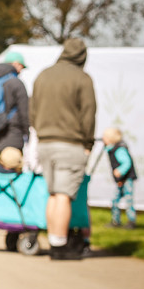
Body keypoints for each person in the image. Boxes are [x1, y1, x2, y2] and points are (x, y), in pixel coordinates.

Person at [29, 38, 97, 260]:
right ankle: (60, 247)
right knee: (64, 195)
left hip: (45, 142)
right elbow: (88, 115)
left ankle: (54, 241)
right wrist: (88, 144)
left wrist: (41, 132)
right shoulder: (82, 79)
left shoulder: (43, 75)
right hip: (70, 142)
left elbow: (33, 111)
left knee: (53, 194)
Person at [0, 51, 30, 167]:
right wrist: (27, 134)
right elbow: (25, 112)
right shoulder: (16, 83)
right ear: (16, 64)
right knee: (14, 181)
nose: (21, 71)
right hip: (13, 139)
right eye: (21, 67)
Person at [101, 127, 138, 228]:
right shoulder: (111, 149)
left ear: (110, 139)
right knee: (115, 200)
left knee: (128, 200)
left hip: (127, 179)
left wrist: (120, 171)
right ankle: (116, 221)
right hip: (120, 180)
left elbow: (127, 162)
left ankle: (131, 221)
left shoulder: (119, 149)